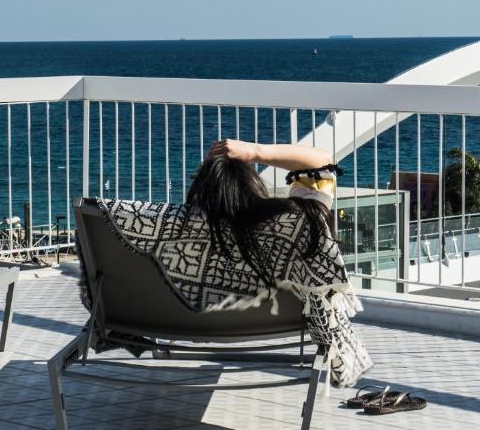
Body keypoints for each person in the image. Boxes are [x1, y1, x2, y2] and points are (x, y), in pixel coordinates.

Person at [94, 138, 373, 390]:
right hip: (275, 322)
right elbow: (323, 162)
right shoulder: (299, 224)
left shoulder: (169, 237)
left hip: (177, 322)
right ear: (253, 185)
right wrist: (254, 151)